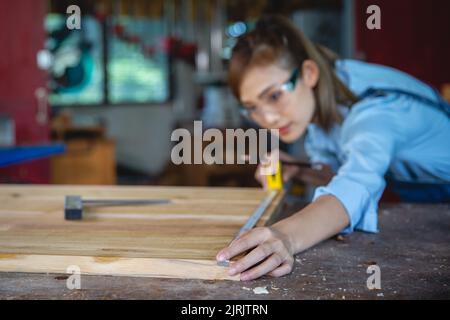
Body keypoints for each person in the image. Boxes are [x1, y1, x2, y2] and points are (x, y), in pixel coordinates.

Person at [216, 15, 450, 281]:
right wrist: (302, 171)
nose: (267, 118)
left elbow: (353, 188)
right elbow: (338, 178)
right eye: (253, 108)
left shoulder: (374, 111)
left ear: (308, 73)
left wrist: (285, 237)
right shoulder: (322, 97)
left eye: (274, 95)